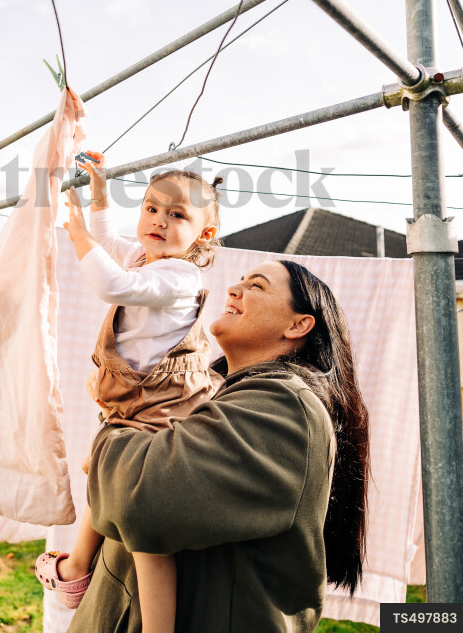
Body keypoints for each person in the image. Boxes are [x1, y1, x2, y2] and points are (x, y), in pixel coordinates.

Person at [69, 257, 370, 633]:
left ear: (298, 324)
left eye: (257, 286)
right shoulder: (212, 392)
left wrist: (113, 431)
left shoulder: (284, 406)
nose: (234, 288)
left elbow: (142, 499)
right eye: (241, 279)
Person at [35, 153, 225, 633]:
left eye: (177, 214)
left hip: (163, 412)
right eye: (151, 208)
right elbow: (107, 243)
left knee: (146, 535)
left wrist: (75, 235)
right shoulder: (146, 257)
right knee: (104, 474)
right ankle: (78, 566)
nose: (158, 220)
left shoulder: (180, 276)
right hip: (133, 406)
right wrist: (100, 197)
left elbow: (111, 283)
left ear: (202, 234)